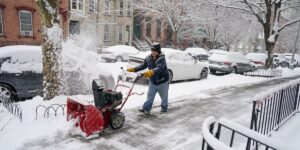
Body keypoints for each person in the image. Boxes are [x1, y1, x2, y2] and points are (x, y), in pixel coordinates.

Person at [127, 43, 169, 114]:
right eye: (152, 50)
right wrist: (134, 69)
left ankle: (164, 107)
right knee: (150, 95)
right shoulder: (148, 58)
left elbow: (159, 68)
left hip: (162, 81)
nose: (153, 52)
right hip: (153, 80)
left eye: (155, 51)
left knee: (164, 96)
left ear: (158, 51)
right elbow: (142, 66)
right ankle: (146, 108)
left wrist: (151, 72)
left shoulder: (162, 59)